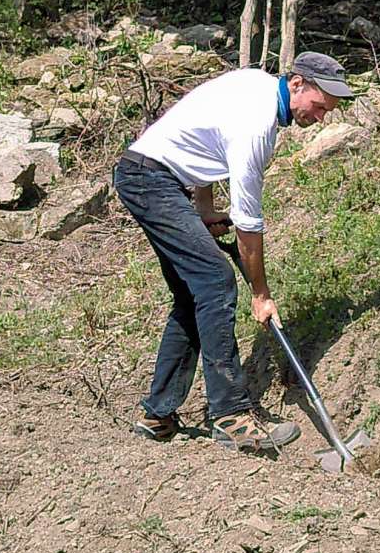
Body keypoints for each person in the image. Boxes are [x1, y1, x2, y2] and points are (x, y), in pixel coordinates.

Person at [114, 48, 353, 453]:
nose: (321, 117)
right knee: (217, 283)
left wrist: (203, 211)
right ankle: (230, 416)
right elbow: (248, 225)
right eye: (319, 106)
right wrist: (261, 294)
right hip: (152, 181)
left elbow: (206, 136)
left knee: (195, 295)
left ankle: (159, 415)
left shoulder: (254, 85)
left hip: (152, 176)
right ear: (297, 84)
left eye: (328, 111)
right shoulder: (258, 126)